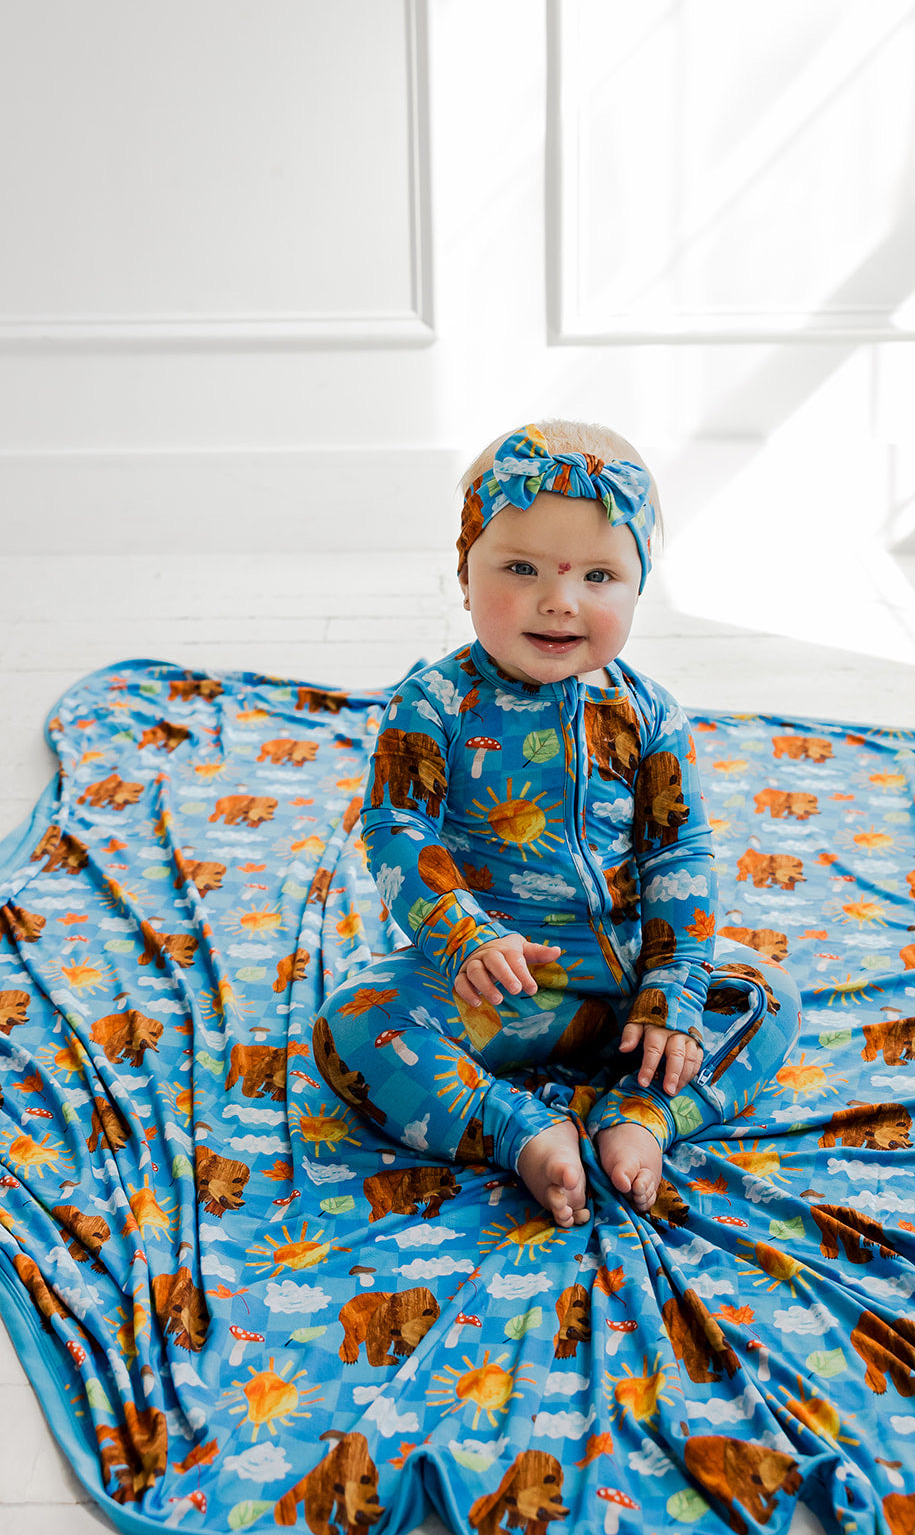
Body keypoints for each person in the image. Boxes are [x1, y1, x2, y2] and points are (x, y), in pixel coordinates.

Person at [317, 420, 800, 1228]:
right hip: (492, 986)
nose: (559, 601)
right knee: (355, 1025)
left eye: (599, 576)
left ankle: (639, 1118)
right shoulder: (432, 704)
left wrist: (672, 985)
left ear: (638, 588)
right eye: (520, 568)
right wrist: (462, 935)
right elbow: (396, 826)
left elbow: (678, 850)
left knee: (766, 995)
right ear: (464, 576)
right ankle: (522, 1132)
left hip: (630, 986)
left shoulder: (648, 713)